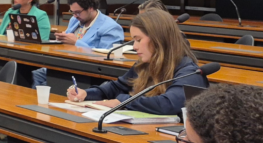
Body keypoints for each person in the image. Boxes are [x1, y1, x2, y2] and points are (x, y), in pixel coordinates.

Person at [67, 9, 203, 114]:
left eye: (138, 40)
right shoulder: (144, 64)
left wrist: (122, 101)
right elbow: (117, 87)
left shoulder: (190, 73)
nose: (134, 47)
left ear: (158, 39)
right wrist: (86, 94)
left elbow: (168, 104)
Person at [55, 0, 124, 48]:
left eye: (78, 12)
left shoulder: (111, 27)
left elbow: (109, 56)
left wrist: (76, 42)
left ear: (91, 8)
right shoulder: (74, 20)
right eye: (72, 12)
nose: (75, 16)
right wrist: (62, 38)